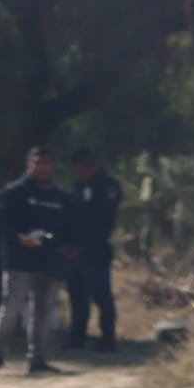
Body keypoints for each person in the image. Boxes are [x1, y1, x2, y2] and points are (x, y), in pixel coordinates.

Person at [0, 146, 74, 376]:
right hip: (18, 263)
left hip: (49, 265)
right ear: (29, 165)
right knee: (11, 309)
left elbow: (72, 228)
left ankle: (38, 360)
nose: (42, 167)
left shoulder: (60, 197)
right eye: (38, 163)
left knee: (42, 313)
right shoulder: (13, 193)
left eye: (46, 163)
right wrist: (21, 239)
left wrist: (67, 249)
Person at [65, 148, 122, 351]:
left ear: (92, 165)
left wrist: (84, 244)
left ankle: (108, 337)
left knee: (101, 295)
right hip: (75, 250)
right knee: (77, 295)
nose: (79, 173)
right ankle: (77, 336)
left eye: (83, 168)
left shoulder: (107, 186)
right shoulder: (78, 187)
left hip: (95, 249)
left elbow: (101, 220)